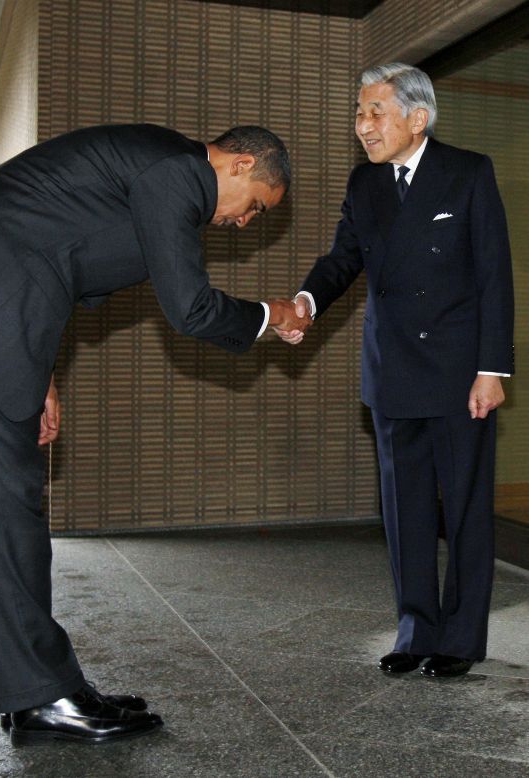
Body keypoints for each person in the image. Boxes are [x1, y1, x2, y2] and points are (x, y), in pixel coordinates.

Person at [0, 123, 311, 744]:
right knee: (3, 506)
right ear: (241, 164)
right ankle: (41, 697)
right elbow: (188, 308)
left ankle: (44, 689)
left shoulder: (162, 173)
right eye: (256, 209)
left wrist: (42, 372)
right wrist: (273, 315)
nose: (245, 224)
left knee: (12, 501)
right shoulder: (177, 175)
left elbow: (58, 256)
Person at [278, 64, 514, 678]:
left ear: (418, 117)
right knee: (403, 509)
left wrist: (493, 369)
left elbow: (494, 276)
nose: (362, 126)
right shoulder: (365, 186)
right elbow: (341, 260)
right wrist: (305, 302)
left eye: (375, 112)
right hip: (392, 371)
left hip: (461, 373)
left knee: (462, 508)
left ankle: (459, 640)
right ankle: (415, 633)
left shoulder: (467, 171)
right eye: (359, 113)